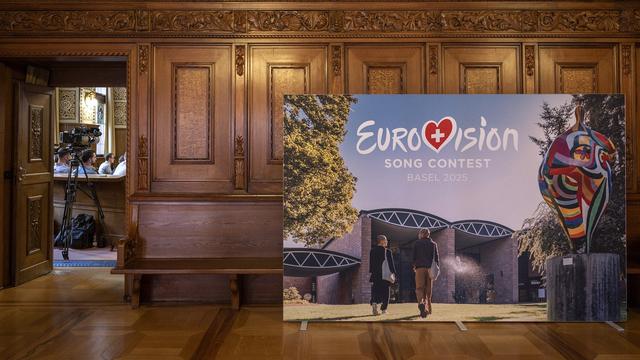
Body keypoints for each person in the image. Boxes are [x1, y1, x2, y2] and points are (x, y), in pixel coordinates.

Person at [413, 228, 440, 318]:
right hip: (430, 269)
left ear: (421, 234)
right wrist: (437, 269)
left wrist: (414, 266)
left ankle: (421, 303)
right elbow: (436, 258)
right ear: (428, 234)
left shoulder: (417, 243)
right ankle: (428, 309)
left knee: (419, 288)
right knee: (428, 290)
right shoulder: (433, 244)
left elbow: (413, 257)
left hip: (420, 268)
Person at [369, 234, 396, 316]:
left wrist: (372, 272)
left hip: (375, 274)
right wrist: (394, 273)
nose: (387, 242)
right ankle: (384, 309)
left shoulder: (372, 250)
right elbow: (391, 264)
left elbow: (371, 264)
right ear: (382, 241)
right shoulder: (387, 251)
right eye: (386, 240)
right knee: (385, 291)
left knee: (375, 290)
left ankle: (374, 303)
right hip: (385, 274)